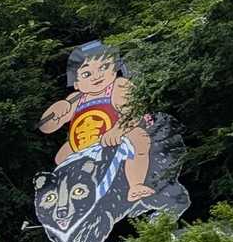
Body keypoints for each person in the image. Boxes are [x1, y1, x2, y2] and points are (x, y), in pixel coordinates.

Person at [38, 41, 156, 202]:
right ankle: (72, 192)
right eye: (87, 74)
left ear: (115, 67)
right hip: (84, 142)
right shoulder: (75, 99)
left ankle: (136, 184)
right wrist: (55, 112)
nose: (97, 76)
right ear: (76, 83)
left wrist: (118, 130)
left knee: (140, 137)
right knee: (61, 157)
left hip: (118, 134)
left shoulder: (119, 86)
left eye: (104, 67)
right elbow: (46, 128)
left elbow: (134, 111)